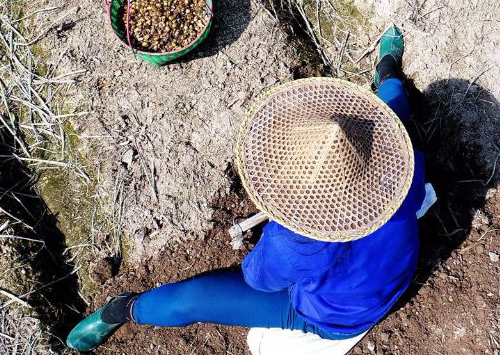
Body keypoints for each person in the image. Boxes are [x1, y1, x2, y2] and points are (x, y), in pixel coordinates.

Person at [67, 27, 427, 353]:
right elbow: (394, 102)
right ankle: (387, 64)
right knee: (392, 94)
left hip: (331, 316)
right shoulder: (396, 154)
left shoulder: (299, 242)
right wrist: (390, 74)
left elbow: (259, 279)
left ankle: (122, 309)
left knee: (193, 299)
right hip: (394, 276)